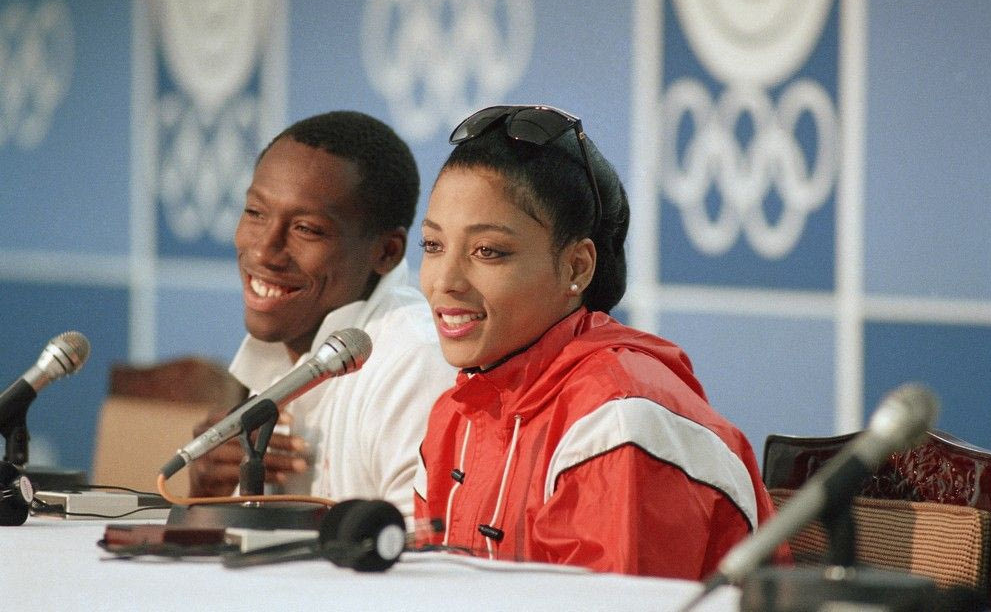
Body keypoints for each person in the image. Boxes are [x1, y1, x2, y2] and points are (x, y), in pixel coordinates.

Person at [413, 104, 785, 579]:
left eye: (488, 251)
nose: (445, 281)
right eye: (433, 246)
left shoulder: (620, 419)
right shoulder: (453, 415)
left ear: (576, 267)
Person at [188, 111, 455, 522]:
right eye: (255, 212)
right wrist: (208, 495)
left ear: (386, 252)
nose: (263, 250)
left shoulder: (414, 361)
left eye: (306, 229)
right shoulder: (290, 338)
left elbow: (421, 550)